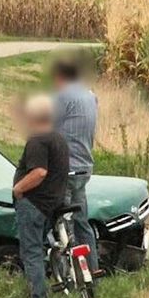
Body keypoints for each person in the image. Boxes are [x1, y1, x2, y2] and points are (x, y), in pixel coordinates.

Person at [12, 94, 70, 298]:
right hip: (53, 204)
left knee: (32, 252)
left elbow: (39, 172)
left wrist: (19, 188)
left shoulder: (37, 140)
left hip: (35, 204)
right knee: (49, 248)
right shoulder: (59, 139)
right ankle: (61, 284)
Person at [52, 59, 100, 273]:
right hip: (84, 168)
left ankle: (64, 276)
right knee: (82, 223)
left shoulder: (63, 96)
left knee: (59, 223)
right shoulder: (90, 96)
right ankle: (93, 270)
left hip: (65, 169)